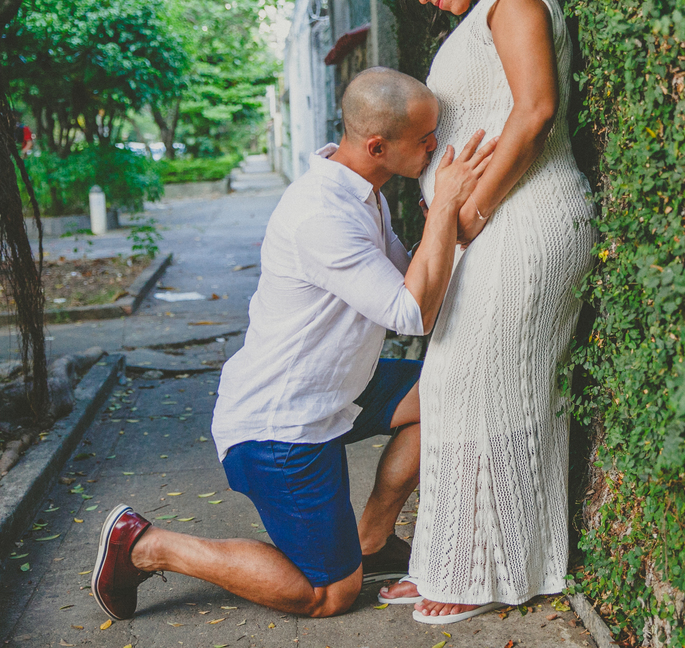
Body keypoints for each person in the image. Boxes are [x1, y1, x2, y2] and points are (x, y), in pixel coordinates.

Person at [91, 68, 496, 620]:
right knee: (330, 596)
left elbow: (410, 274)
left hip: (338, 391)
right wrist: (446, 208)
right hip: (280, 428)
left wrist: (451, 227)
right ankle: (146, 545)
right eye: (425, 137)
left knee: (453, 391)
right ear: (378, 146)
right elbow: (411, 312)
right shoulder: (321, 215)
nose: (435, 144)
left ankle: (372, 541)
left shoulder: (362, 191)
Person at [379, 0, 597, 625]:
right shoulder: (478, 15)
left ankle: (498, 567)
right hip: (491, 224)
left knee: (491, 386)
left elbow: (534, 112)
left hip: (526, 217)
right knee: (453, 386)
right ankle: (449, 556)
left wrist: (468, 211)